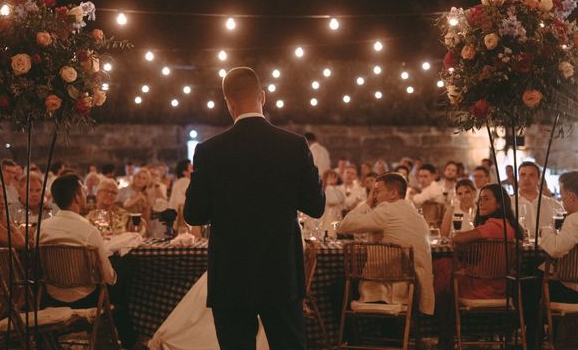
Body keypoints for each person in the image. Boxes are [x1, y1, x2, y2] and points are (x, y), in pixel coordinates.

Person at [184, 67, 325, 350]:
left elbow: (194, 214)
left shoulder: (209, 150)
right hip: (280, 269)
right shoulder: (294, 145)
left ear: (228, 102)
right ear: (263, 96)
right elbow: (316, 206)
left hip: (231, 271)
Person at [39, 174, 137, 348]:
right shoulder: (88, 230)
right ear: (77, 197)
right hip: (85, 298)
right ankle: (129, 342)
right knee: (123, 282)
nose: (85, 195)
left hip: (51, 296)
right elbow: (108, 277)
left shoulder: (42, 228)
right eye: (83, 192)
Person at [338, 172, 434, 316]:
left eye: (377, 191)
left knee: (336, 286)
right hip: (415, 290)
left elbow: (344, 226)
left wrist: (368, 202)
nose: (375, 196)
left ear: (393, 194)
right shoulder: (416, 215)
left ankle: (350, 338)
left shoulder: (387, 210)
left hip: (389, 288)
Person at [451, 184, 523, 298]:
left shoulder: (493, 226)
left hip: (482, 288)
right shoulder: (508, 225)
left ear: (499, 203)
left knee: (443, 273)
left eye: (486, 199)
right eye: (480, 199)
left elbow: (458, 238)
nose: (480, 203)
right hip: (503, 287)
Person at [540, 171, 578, 302]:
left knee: (531, 279)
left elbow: (556, 249)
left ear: (571, 197)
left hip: (571, 290)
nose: (561, 199)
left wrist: (546, 231)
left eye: (561, 195)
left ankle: (535, 322)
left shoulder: (575, 219)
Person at [513, 161, 563, 238]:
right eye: (522, 175)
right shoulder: (510, 204)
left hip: (547, 248)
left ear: (539, 180)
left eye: (531, 175)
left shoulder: (554, 205)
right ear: (518, 179)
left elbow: (562, 231)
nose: (526, 178)